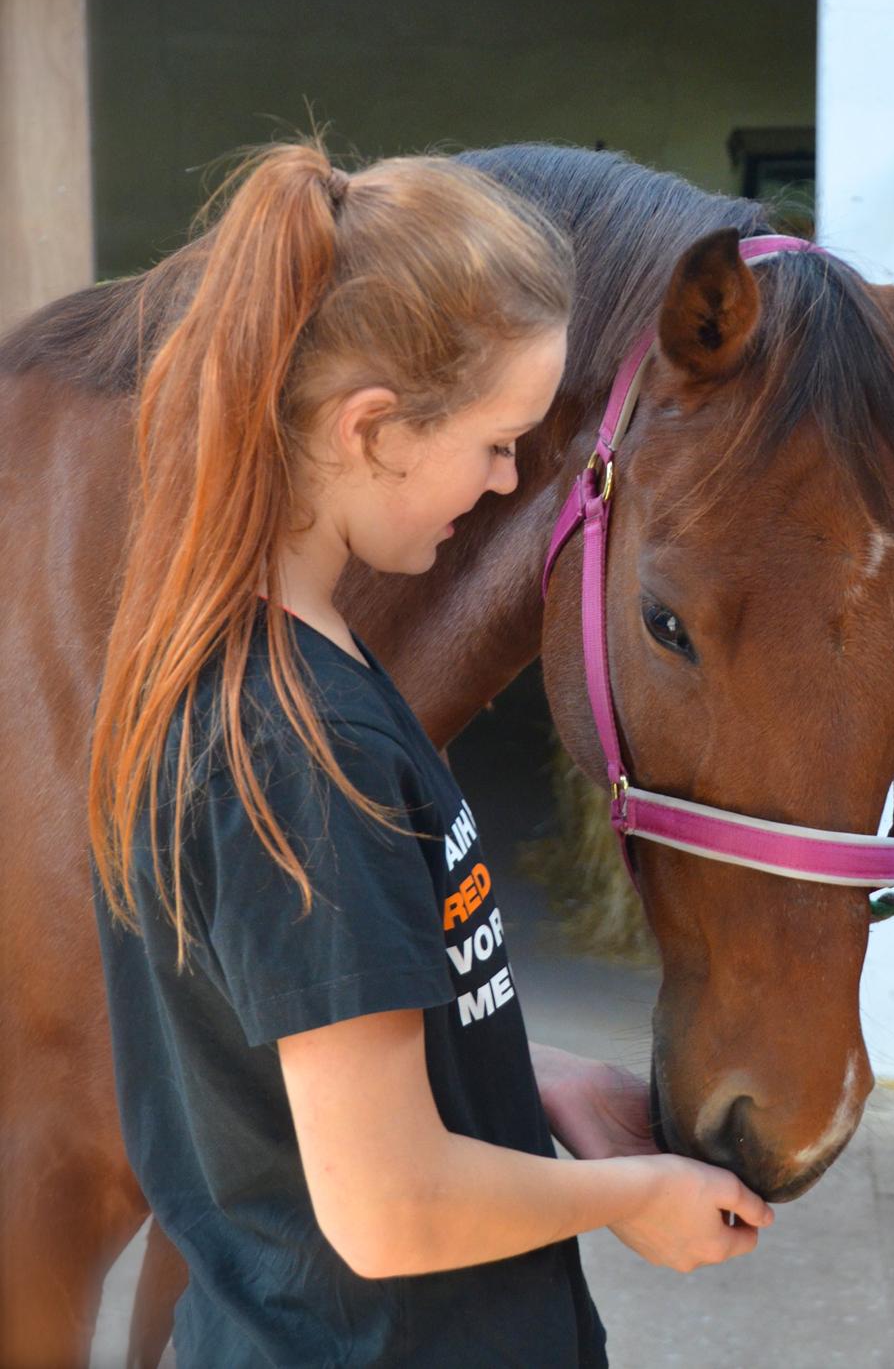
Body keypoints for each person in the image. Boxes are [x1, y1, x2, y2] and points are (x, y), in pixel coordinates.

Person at [87, 138, 773, 1368]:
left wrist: (529, 1072)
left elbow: (306, 1038)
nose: (511, 480)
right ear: (372, 428)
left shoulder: (282, 652)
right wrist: (631, 1198)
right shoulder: (296, 749)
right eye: (498, 440)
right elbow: (388, 1205)